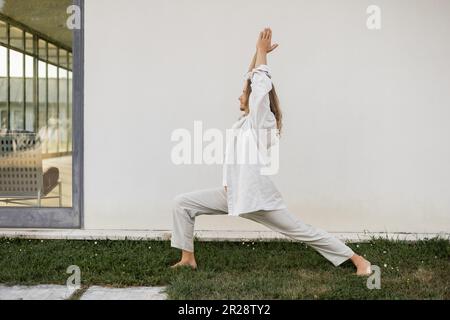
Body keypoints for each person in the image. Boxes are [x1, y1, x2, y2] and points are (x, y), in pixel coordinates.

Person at [170, 28, 372, 276]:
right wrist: (258, 53)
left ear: (255, 98)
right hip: (233, 194)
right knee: (182, 204)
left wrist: (262, 56)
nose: (239, 96)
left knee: (302, 230)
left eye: (243, 93)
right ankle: (187, 259)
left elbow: (260, 86)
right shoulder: (244, 123)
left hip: (257, 199)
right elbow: (251, 79)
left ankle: (358, 260)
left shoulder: (260, 121)